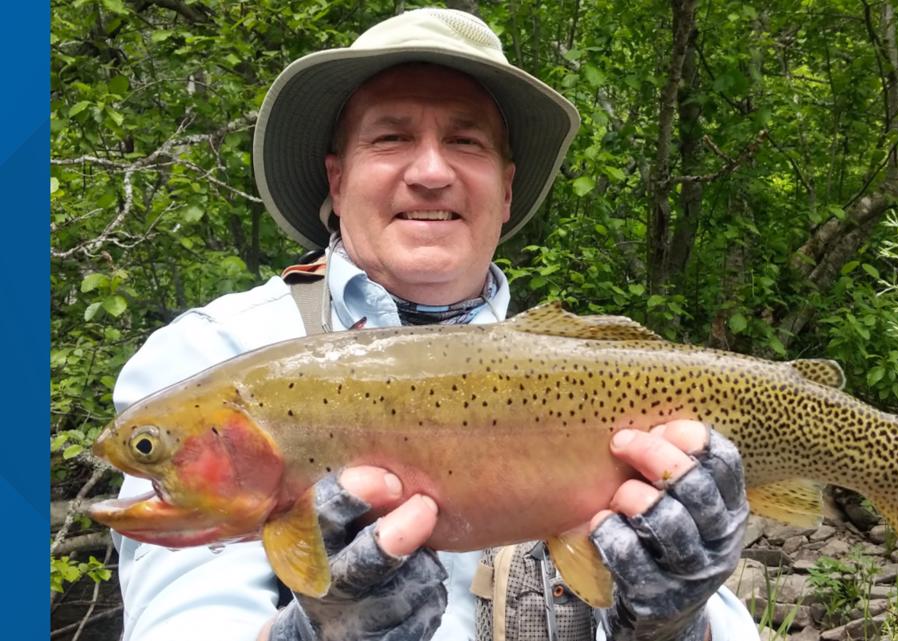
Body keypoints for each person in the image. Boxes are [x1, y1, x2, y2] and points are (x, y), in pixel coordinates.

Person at [110, 8, 760, 641]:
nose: (430, 172)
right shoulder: (210, 354)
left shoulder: (597, 370)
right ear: (336, 182)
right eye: (391, 137)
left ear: (505, 191)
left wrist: (675, 623)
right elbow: (183, 617)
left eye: (465, 141)